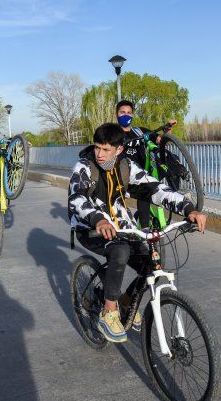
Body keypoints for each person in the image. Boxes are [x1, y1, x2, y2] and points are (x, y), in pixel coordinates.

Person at [68, 123, 207, 343]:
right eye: (97, 148)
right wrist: (98, 219)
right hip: (91, 227)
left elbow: (155, 189)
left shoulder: (126, 166)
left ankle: (125, 302)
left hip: (123, 227)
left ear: (119, 150)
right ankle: (109, 312)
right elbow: (77, 198)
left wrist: (188, 209)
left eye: (106, 150)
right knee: (120, 251)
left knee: (151, 264)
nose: (100, 154)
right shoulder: (85, 167)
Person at [115, 100, 177, 229]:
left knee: (172, 160)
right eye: (123, 112)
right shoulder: (113, 134)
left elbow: (160, 140)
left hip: (147, 171)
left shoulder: (139, 131)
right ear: (117, 114)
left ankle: (177, 195)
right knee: (144, 189)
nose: (126, 115)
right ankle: (144, 227)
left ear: (132, 115)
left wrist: (168, 129)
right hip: (126, 177)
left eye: (129, 113)